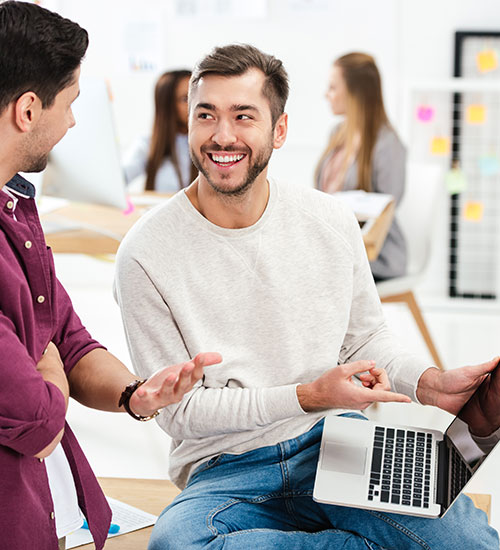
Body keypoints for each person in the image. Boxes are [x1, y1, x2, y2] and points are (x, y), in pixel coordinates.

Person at [114, 44, 499, 549]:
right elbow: (178, 413)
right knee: (178, 545)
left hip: (338, 441)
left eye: (243, 116)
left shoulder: (331, 220)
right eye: (206, 115)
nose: (222, 135)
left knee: (472, 544)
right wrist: (306, 395)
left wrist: (428, 383)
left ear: (279, 130)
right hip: (226, 468)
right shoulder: (144, 252)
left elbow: (366, 340)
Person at [0, 3, 221, 550]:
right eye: (71, 102)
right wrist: (48, 371)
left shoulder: (16, 212)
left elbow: (67, 339)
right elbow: (39, 423)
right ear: (29, 110)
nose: (73, 122)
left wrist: (133, 395)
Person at [315, 52, 406, 281]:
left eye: (333, 87)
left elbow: (385, 211)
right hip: (337, 247)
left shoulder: (387, 144)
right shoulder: (337, 134)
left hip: (376, 256)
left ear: (355, 92)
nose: (326, 95)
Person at [123, 69, 197, 193]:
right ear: (167, 105)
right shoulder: (147, 144)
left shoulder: (213, 142)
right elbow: (119, 179)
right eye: (185, 99)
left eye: (197, 97)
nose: (195, 104)